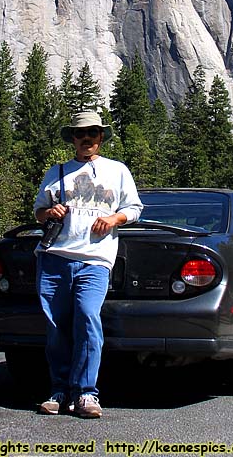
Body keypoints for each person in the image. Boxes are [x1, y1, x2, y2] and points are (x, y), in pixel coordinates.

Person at [34, 111, 143, 419]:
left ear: (100, 137)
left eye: (92, 133)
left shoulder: (117, 170)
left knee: (86, 317)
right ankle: (59, 390)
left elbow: (134, 208)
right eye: (80, 134)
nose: (86, 139)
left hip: (95, 260)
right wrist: (49, 212)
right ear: (72, 138)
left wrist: (114, 218)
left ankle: (85, 393)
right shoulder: (57, 172)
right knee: (56, 326)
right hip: (56, 257)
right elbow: (38, 212)